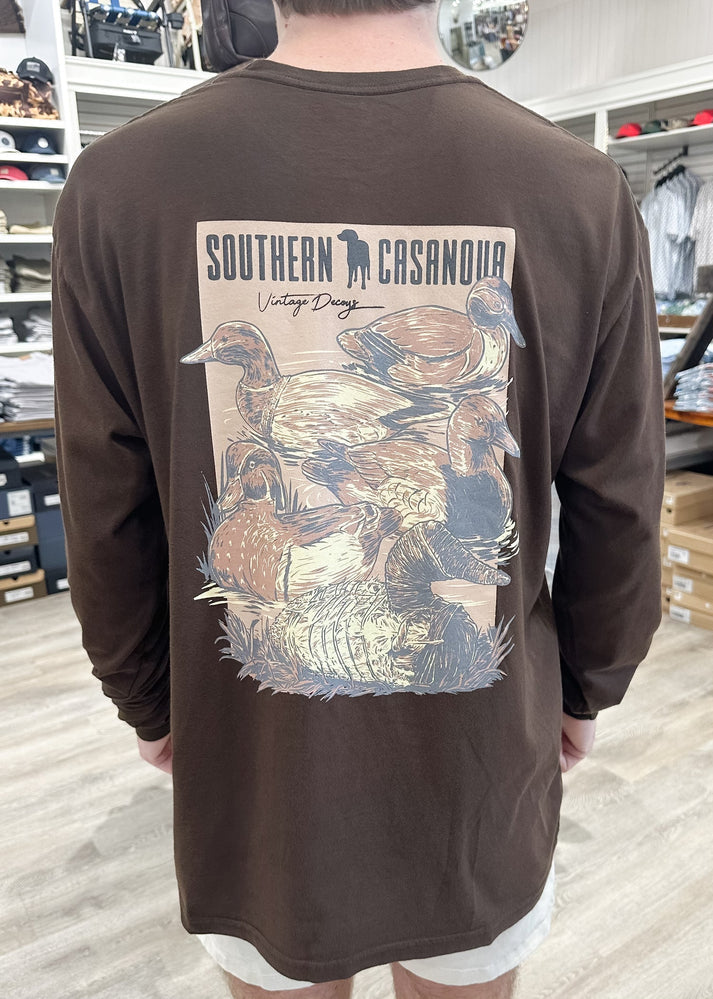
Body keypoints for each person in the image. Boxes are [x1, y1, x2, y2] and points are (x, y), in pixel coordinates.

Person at [51, 2, 665, 998]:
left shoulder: (119, 184)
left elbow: (102, 503)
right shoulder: (577, 188)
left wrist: (149, 699)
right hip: (479, 766)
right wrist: (585, 686)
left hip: (252, 771)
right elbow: (620, 500)